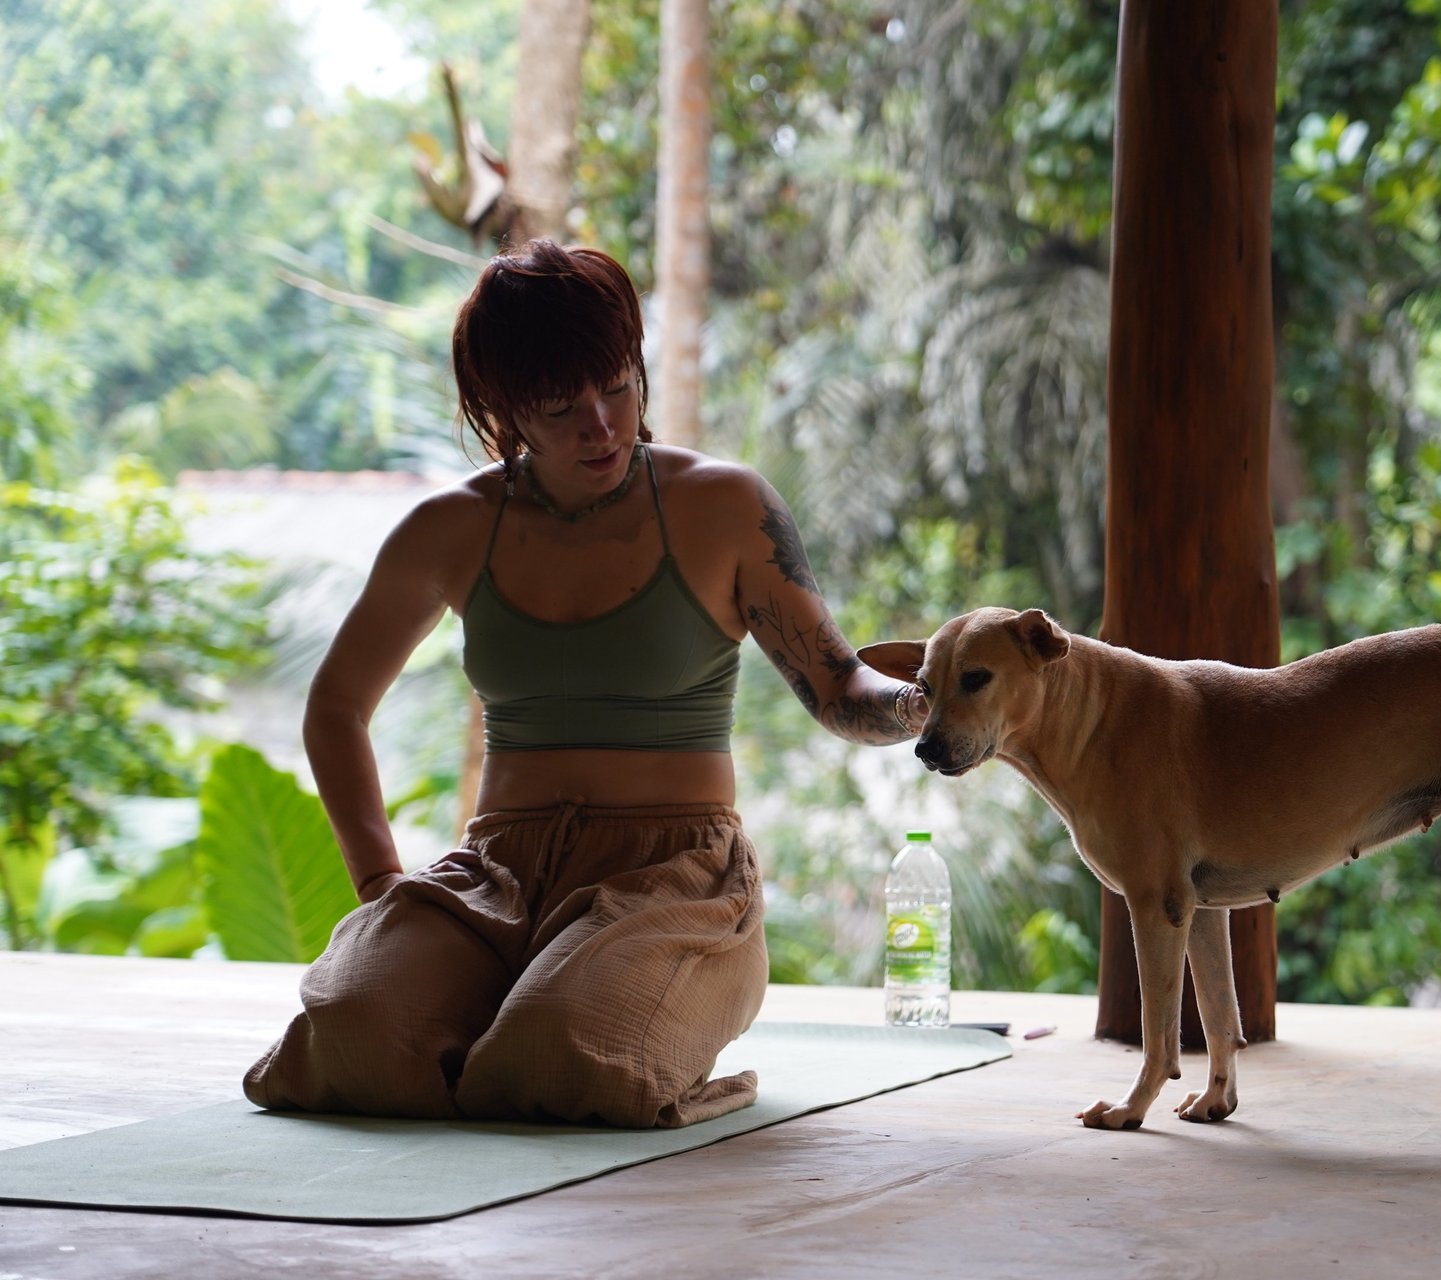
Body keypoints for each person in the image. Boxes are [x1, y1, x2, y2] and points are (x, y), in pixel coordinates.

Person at [243, 239, 928, 1128]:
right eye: (562, 408)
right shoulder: (449, 528)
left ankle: (574, 1037)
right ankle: (502, 1026)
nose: (601, 426)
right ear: (502, 407)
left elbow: (840, 689)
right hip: (496, 877)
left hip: (677, 879)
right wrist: (381, 884)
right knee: (350, 1033)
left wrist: (926, 705)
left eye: (616, 387)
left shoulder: (721, 506)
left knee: (567, 1057)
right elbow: (336, 707)